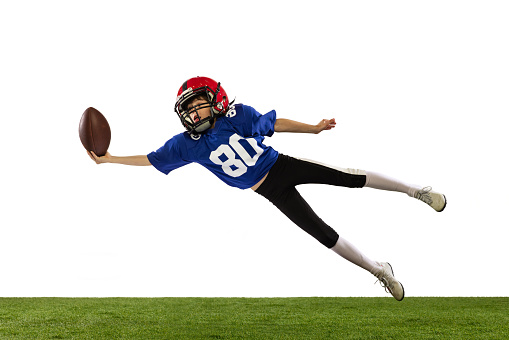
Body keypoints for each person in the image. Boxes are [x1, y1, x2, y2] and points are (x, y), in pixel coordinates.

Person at [88, 76, 446, 301]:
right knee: (324, 235)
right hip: (268, 190)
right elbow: (150, 159)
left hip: (282, 165)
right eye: (189, 109)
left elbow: (274, 125)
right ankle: (378, 270)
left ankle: (416, 190)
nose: (194, 115)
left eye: (199, 105)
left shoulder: (237, 115)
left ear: (217, 99)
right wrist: (109, 158)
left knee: (350, 177)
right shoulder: (185, 145)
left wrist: (314, 128)